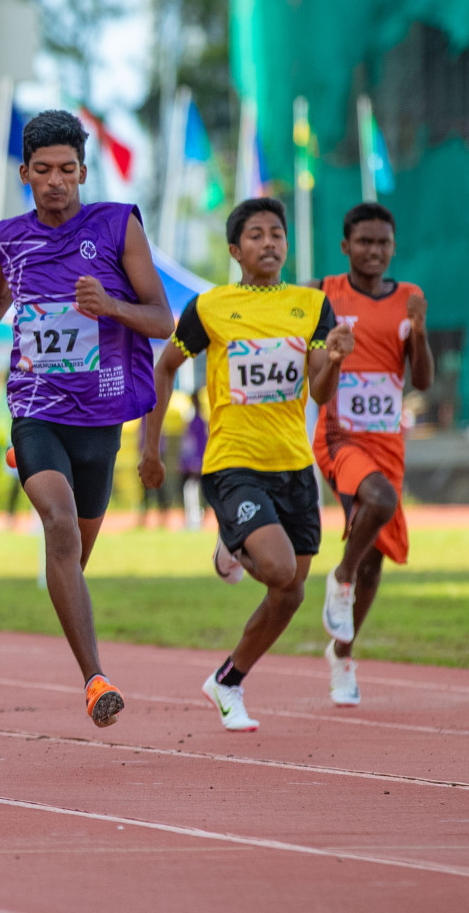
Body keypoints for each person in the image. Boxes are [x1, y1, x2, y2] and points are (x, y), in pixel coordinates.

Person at [0, 110, 174, 728]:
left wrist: (109, 305)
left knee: (74, 551)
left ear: (83, 172)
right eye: (44, 170)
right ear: (24, 173)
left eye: (68, 170)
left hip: (101, 415)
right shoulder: (6, 236)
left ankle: (62, 574)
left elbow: (162, 319)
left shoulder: (116, 225)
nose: (56, 181)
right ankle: (95, 679)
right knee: (58, 525)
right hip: (36, 408)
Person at [140, 197, 353, 731]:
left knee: (292, 592)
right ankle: (234, 542)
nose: (269, 242)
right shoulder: (211, 307)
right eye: (255, 235)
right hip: (234, 462)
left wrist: (336, 360)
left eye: (276, 233)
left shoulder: (311, 306)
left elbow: (321, 389)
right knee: (279, 569)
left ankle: (228, 681)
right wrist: (151, 447)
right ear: (236, 250)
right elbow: (164, 367)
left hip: (294, 466)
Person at [311, 202, 433, 706]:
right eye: (364, 242)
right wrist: (334, 354)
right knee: (378, 502)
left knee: (376, 561)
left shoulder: (410, 298)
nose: (374, 251)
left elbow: (421, 381)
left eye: (383, 243)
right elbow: (318, 388)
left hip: (387, 438)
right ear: (345, 247)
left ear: (393, 247)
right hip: (339, 435)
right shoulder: (326, 294)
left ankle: (342, 654)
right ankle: (340, 578)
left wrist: (420, 333)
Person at [178, 391, 208, 530]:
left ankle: (196, 520)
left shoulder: (200, 422)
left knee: (195, 490)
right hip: (190, 461)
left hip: (197, 461)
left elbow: (201, 444)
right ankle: (191, 519)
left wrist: (198, 461)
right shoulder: (190, 421)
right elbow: (187, 444)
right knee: (189, 489)